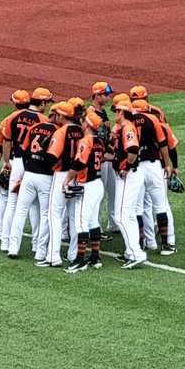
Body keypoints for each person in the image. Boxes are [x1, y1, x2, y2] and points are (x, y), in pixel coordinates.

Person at [0, 87, 52, 253]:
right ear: (42, 103)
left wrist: (6, 162)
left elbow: (6, 141)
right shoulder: (43, 120)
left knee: (13, 203)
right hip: (33, 165)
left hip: (16, 161)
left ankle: (6, 243)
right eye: (47, 103)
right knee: (36, 205)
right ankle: (36, 245)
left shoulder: (13, 117)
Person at [7, 103, 58, 261]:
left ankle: (12, 247)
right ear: (57, 116)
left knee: (20, 211)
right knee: (45, 214)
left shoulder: (35, 128)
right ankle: (39, 250)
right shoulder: (58, 131)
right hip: (46, 177)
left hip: (29, 175)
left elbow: (22, 151)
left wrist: (25, 171)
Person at [37, 102, 83, 268]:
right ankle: (73, 254)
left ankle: (53, 256)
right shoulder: (80, 130)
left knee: (54, 215)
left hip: (62, 176)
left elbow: (52, 158)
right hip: (77, 176)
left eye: (57, 114)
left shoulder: (61, 132)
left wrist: (41, 151)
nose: (55, 117)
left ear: (62, 116)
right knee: (74, 216)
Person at [62, 111, 105, 273]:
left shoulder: (85, 141)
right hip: (98, 184)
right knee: (93, 221)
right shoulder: (99, 141)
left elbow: (80, 162)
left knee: (81, 222)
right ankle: (95, 256)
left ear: (87, 124)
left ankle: (79, 260)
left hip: (87, 185)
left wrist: (67, 180)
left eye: (83, 122)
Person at [0, 89, 30, 240]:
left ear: (14, 104)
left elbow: (1, 145)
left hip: (12, 161)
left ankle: (0, 231)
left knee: (5, 196)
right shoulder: (37, 119)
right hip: (31, 164)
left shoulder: (8, 120)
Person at [131, 99, 174, 255]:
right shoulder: (153, 119)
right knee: (160, 206)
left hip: (136, 167)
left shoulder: (128, 121)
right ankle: (166, 245)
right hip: (154, 165)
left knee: (138, 208)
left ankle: (141, 244)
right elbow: (163, 143)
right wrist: (167, 164)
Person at [111, 96, 146, 269]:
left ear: (122, 112)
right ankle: (131, 252)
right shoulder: (124, 128)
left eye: (117, 111)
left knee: (120, 217)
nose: (115, 114)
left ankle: (136, 253)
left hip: (129, 176)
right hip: (131, 175)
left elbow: (133, 150)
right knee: (129, 216)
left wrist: (126, 167)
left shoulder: (127, 128)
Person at [87, 81, 118, 238]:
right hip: (100, 159)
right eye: (105, 95)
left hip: (108, 157)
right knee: (99, 195)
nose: (108, 98)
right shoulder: (90, 113)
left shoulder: (102, 112)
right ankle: (96, 228)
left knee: (113, 192)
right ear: (97, 95)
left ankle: (113, 224)